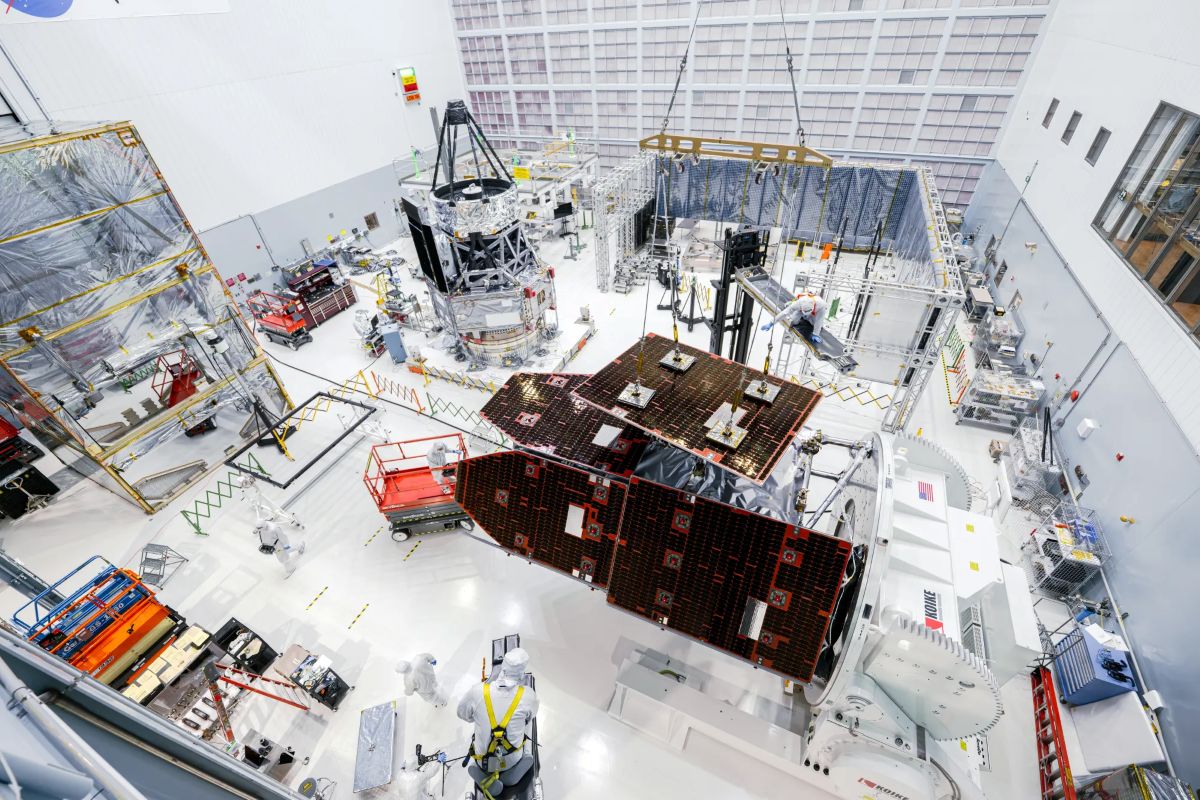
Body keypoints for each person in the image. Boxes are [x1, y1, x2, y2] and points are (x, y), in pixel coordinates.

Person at [457, 648, 538, 799]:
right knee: (526, 724)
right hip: (513, 759)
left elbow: (462, 714)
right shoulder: (528, 696)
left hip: (484, 761)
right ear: (521, 673)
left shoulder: (477, 692)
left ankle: (482, 773)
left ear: (503, 668)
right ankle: (519, 763)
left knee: (479, 729)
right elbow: (531, 716)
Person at [761, 291, 829, 344]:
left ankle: (807, 317)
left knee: (814, 324)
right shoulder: (799, 303)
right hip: (800, 310)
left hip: (815, 313)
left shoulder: (821, 306)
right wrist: (771, 323)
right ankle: (793, 305)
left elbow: (819, 320)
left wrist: (815, 334)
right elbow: (784, 313)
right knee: (794, 321)